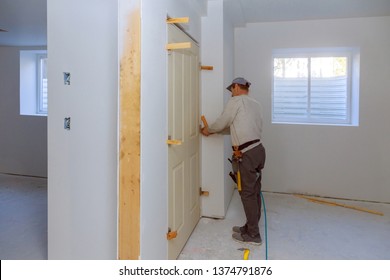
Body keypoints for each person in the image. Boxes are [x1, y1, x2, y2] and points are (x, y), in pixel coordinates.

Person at [200, 77, 266, 246]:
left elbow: (223, 121)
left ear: (236, 87)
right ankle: (250, 226)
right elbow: (236, 127)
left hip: (247, 155)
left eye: (231, 90)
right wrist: (215, 132)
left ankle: (253, 234)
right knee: (254, 192)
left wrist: (209, 129)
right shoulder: (255, 104)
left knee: (247, 194)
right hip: (258, 151)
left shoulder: (236, 101)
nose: (231, 94)